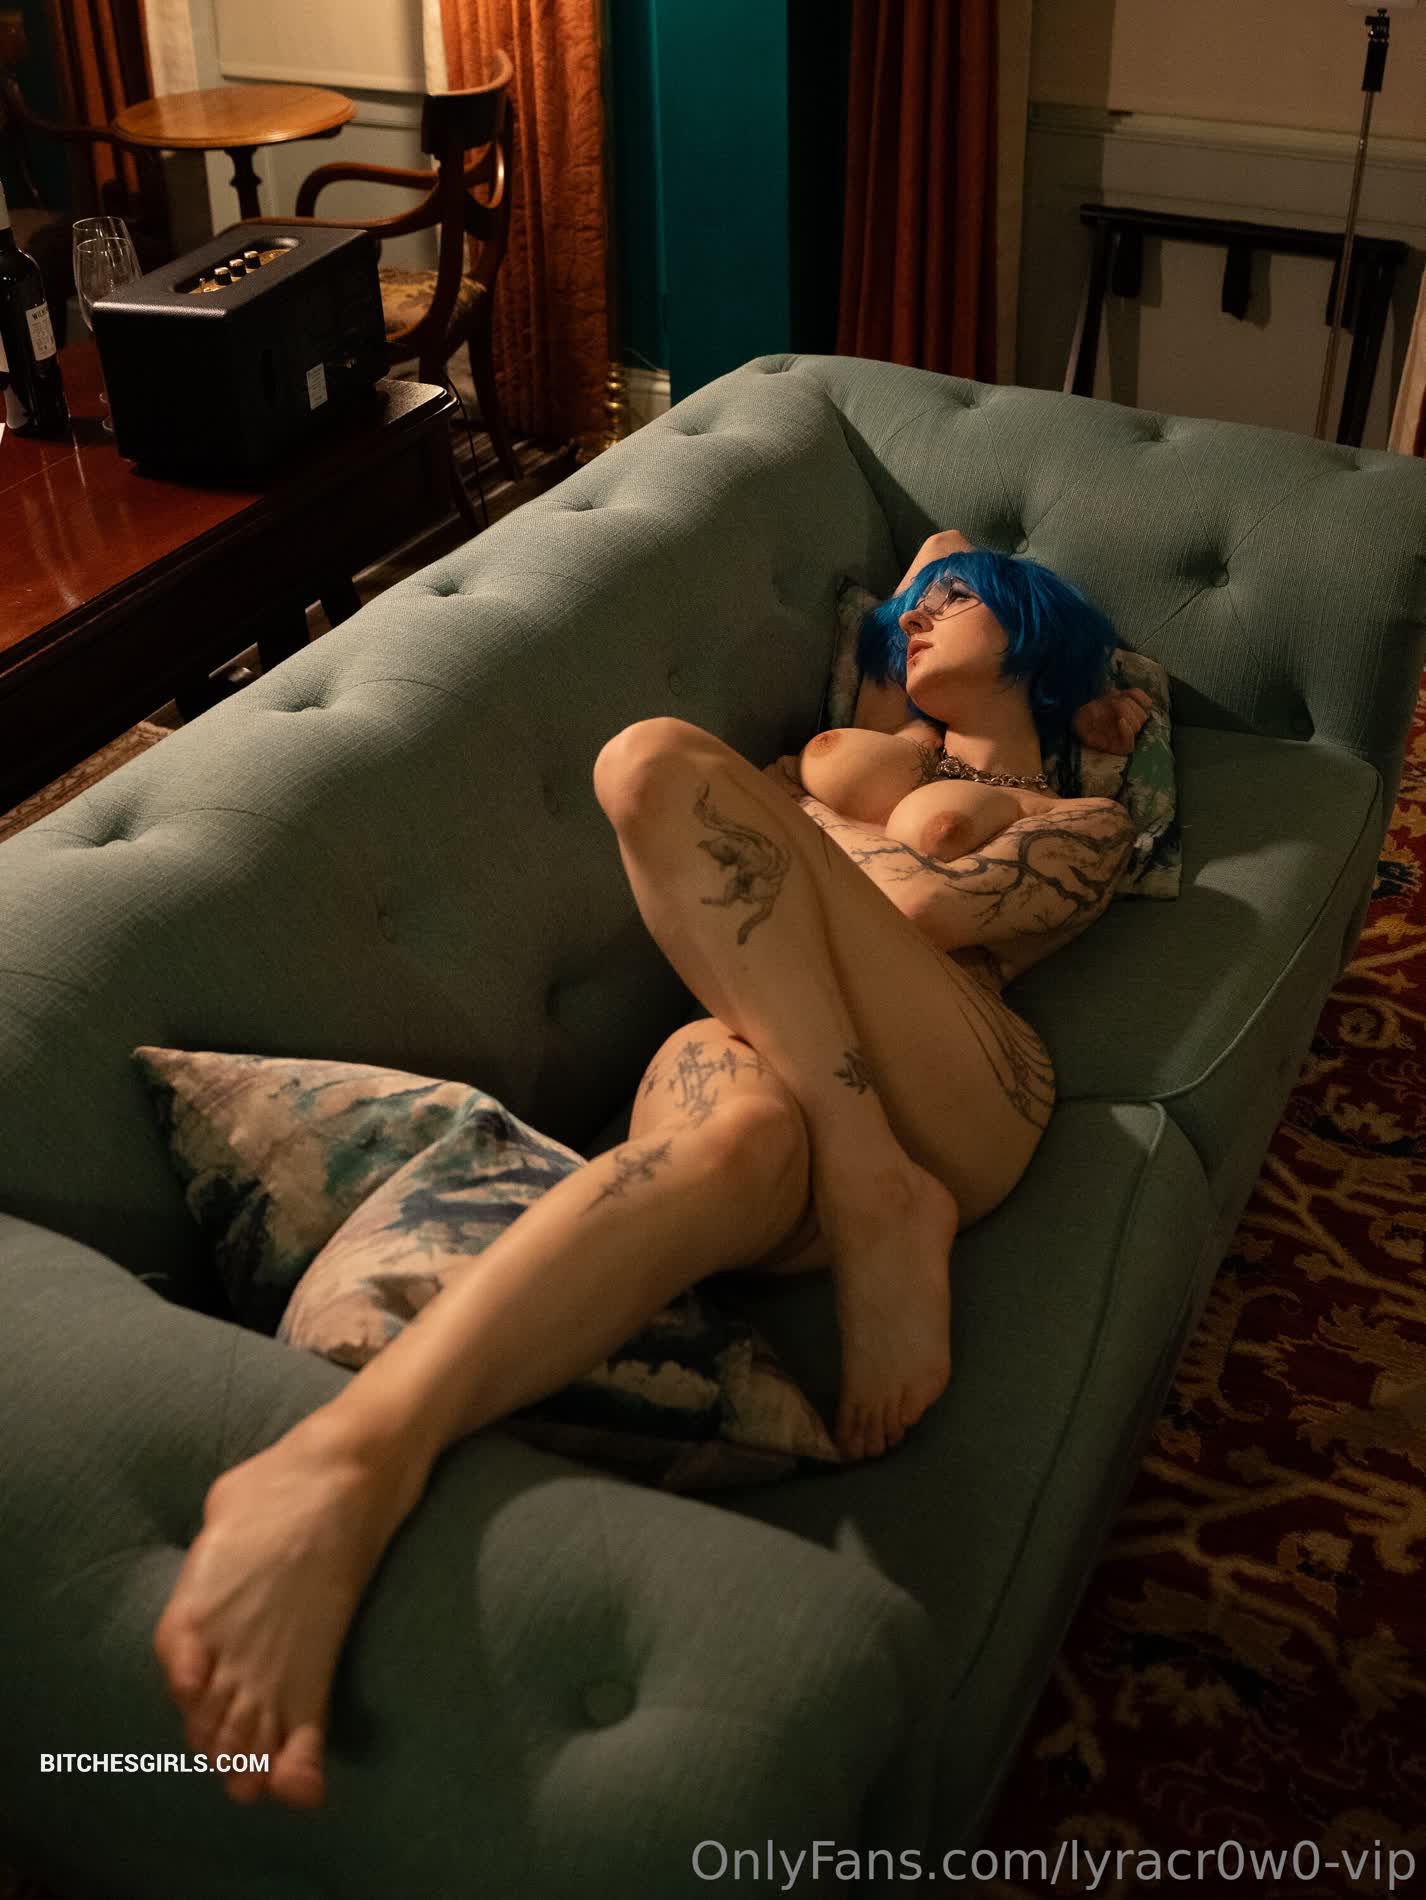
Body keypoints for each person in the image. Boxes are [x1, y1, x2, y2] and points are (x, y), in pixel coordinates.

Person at [151, 529, 1152, 1813]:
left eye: (955, 601)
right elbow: (807, 797)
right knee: (727, 1129)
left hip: (956, 1072)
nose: (919, 612)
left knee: (660, 763)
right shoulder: (855, 749)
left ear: (1038, 633)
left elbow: (916, 912)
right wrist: (852, 756)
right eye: (911, 606)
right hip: (764, 1042)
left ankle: (876, 1181)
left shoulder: (1083, 818)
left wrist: (798, 835)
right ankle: (354, 1453)